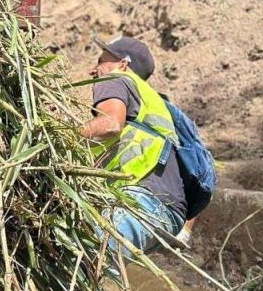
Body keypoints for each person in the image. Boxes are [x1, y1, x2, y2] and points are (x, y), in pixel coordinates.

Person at [80, 36, 186, 260]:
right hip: (169, 215)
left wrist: (64, 134)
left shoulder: (115, 79)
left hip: (141, 202)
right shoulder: (154, 102)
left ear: (122, 64)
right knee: (100, 270)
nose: (93, 70)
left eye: (101, 61)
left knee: (83, 262)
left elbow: (111, 123)